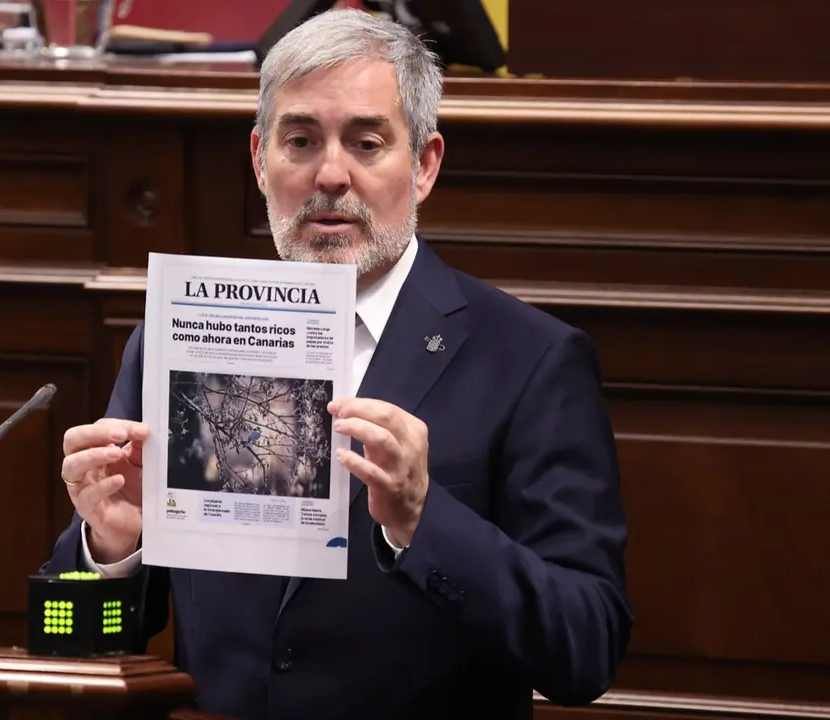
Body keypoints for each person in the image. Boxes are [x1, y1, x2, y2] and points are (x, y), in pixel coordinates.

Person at [43, 8, 632, 719]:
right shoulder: (175, 340)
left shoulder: (530, 360)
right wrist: (110, 547)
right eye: (300, 140)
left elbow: (587, 649)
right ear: (260, 160)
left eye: (366, 141)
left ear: (424, 164)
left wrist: (421, 521)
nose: (331, 174)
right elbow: (69, 652)